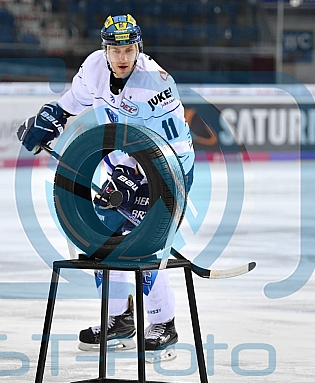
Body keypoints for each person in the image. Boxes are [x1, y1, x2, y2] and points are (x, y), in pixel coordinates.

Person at [17, 14, 194, 361]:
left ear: (138, 48)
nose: (122, 57)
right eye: (115, 49)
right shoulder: (94, 68)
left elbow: (177, 150)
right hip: (126, 164)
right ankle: (120, 318)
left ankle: (164, 323)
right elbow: (69, 104)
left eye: (129, 49)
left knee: (142, 241)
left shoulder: (156, 84)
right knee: (99, 235)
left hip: (167, 166)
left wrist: (153, 185)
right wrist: (48, 120)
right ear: (105, 49)